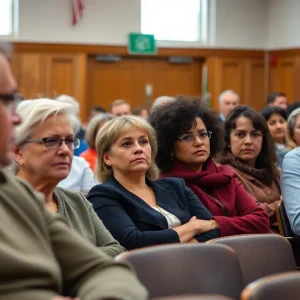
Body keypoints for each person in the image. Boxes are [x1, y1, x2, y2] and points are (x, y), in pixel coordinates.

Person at [0, 51, 147, 300]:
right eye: (6, 100)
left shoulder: (16, 196)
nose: (14, 117)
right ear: (19, 152)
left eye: (69, 141)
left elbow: (108, 269)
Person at [87, 115, 220, 250]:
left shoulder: (176, 186)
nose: (138, 149)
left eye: (144, 142)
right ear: (107, 157)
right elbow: (133, 242)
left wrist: (180, 248)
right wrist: (193, 227)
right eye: (127, 144)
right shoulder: (102, 195)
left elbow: (213, 228)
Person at [13, 99, 125, 257]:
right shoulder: (6, 205)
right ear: (18, 152)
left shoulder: (77, 201)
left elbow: (116, 250)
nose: (65, 150)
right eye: (51, 141)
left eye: (70, 141)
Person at [149, 96, 270, 237]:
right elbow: (201, 235)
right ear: (169, 146)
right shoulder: (169, 185)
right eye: (187, 137)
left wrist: (216, 223)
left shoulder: (225, 174)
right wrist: (241, 223)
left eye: (203, 134)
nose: (199, 142)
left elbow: (261, 220)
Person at [216, 106, 281, 226]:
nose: (248, 141)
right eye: (240, 134)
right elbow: (252, 212)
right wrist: (283, 205)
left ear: (263, 139)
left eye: (255, 134)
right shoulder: (222, 172)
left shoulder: (276, 172)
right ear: (228, 141)